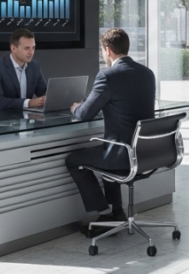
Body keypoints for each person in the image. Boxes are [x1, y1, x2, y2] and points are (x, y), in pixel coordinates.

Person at [66, 28, 156, 237]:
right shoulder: (147, 73)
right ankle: (117, 212)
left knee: (74, 160)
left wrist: (75, 107)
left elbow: (85, 114)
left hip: (121, 157)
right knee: (108, 148)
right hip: (146, 154)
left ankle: (105, 213)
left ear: (107, 50)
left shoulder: (107, 75)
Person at [0, 28, 47, 111]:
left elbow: (44, 91)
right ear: (13, 48)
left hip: (25, 116)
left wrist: (50, 98)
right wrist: (29, 103)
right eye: (26, 48)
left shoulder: (34, 66)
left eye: (33, 48)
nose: (31, 52)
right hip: (0, 117)